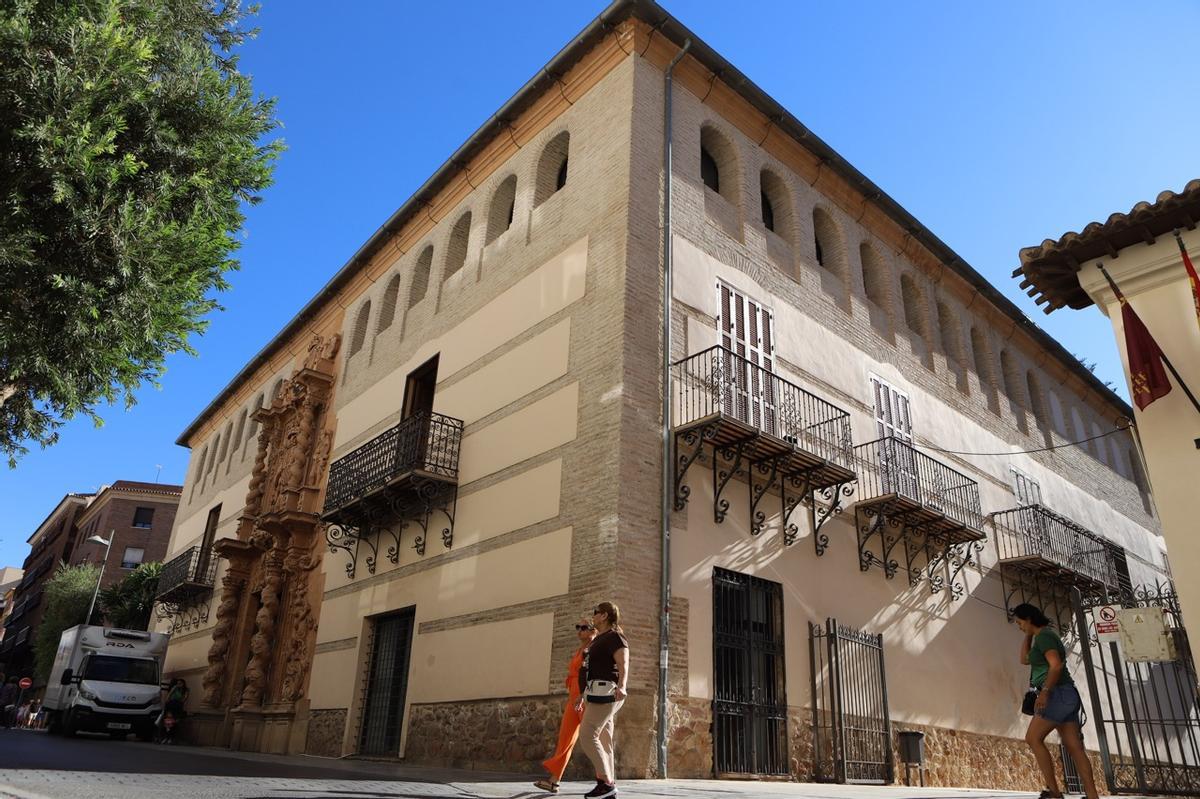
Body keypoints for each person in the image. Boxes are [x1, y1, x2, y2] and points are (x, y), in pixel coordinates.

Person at [1014, 603, 1099, 799]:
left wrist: (1045, 692)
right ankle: (1093, 796)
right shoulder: (1041, 637)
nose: (1019, 626)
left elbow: (1055, 665)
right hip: (1066, 695)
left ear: (1028, 619)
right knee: (1074, 747)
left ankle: (1054, 792)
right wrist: (1028, 633)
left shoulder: (1045, 636)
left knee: (1033, 738)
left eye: (1020, 623)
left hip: (1056, 694)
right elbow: (1024, 659)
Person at [534, 618, 598, 793]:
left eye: (584, 627)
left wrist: (583, 697)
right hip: (573, 697)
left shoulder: (593, 649)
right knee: (565, 738)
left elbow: (592, 674)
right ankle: (554, 781)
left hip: (584, 697)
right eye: (578, 627)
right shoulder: (581, 649)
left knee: (592, 740)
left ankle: (605, 780)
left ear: (593, 631)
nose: (579, 630)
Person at [574, 602, 628, 799]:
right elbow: (589, 669)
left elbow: (623, 662)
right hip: (594, 693)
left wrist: (622, 685)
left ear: (604, 616)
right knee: (604, 741)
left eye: (595, 613)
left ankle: (606, 783)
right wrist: (582, 694)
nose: (593, 616)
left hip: (607, 693)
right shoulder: (599, 639)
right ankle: (607, 788)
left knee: (588, 734)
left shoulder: (615, 637)